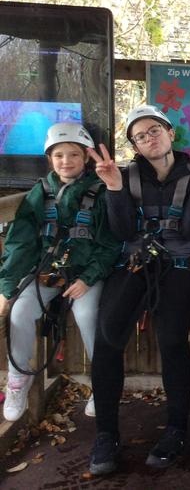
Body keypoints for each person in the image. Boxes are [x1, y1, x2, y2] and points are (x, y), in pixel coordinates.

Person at [86, 105, 190, 475]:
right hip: (135, 261)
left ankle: (176, 428)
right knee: (108, 334)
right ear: (134, 145)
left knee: (171, 337)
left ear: (170, 133)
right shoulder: (124, 175)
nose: (149, 139)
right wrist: (114, 189)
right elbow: (122, 232)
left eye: (154, 130)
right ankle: (106, 434)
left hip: (180, 264)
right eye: (140, 136)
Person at [0, 123, 120, 422]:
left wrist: (87, 278)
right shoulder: (39, 194)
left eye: (74, 154)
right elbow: (21, 243)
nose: (66, 161)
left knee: (87, 315)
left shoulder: (100, 192)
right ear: (50, 159)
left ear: (85, 157)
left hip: (85, 275)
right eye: (59, 155)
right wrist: (7, 287)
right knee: (19, 313)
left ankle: (101, 382)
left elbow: (110, 243)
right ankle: (18, 378)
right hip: (47, 272)